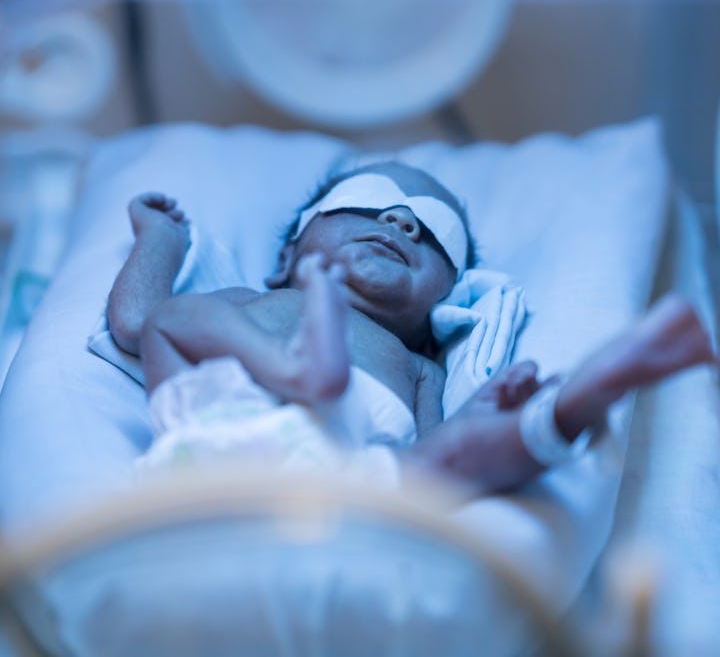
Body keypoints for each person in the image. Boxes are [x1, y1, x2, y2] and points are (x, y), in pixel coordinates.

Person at [106, 162, 716, 493]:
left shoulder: (419, 365)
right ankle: (295, 369)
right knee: (172, 317)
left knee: (451, 464)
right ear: (286, 260)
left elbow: (434, 452)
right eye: (366, 202)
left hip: (347, 483)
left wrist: (484, 414)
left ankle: (583, 396)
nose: (401, 220)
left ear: (439, 309)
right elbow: (134, 323)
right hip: (220, 446)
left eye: (433, 231)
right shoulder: (243, 299)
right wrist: (160, 240)